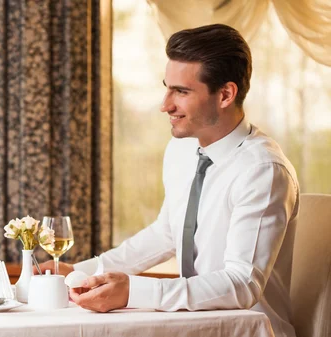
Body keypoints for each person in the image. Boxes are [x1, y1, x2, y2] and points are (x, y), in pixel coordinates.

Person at [40, 24, 299, 337]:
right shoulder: (181, 148)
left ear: (226, 94)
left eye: (182, 91)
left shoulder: (262, 169)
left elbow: (242, 284)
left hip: (247, 331)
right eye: (168, 88)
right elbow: (166, 232)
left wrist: (135, 291)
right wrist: (84, 271)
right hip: (189, 326)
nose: (165, 105)